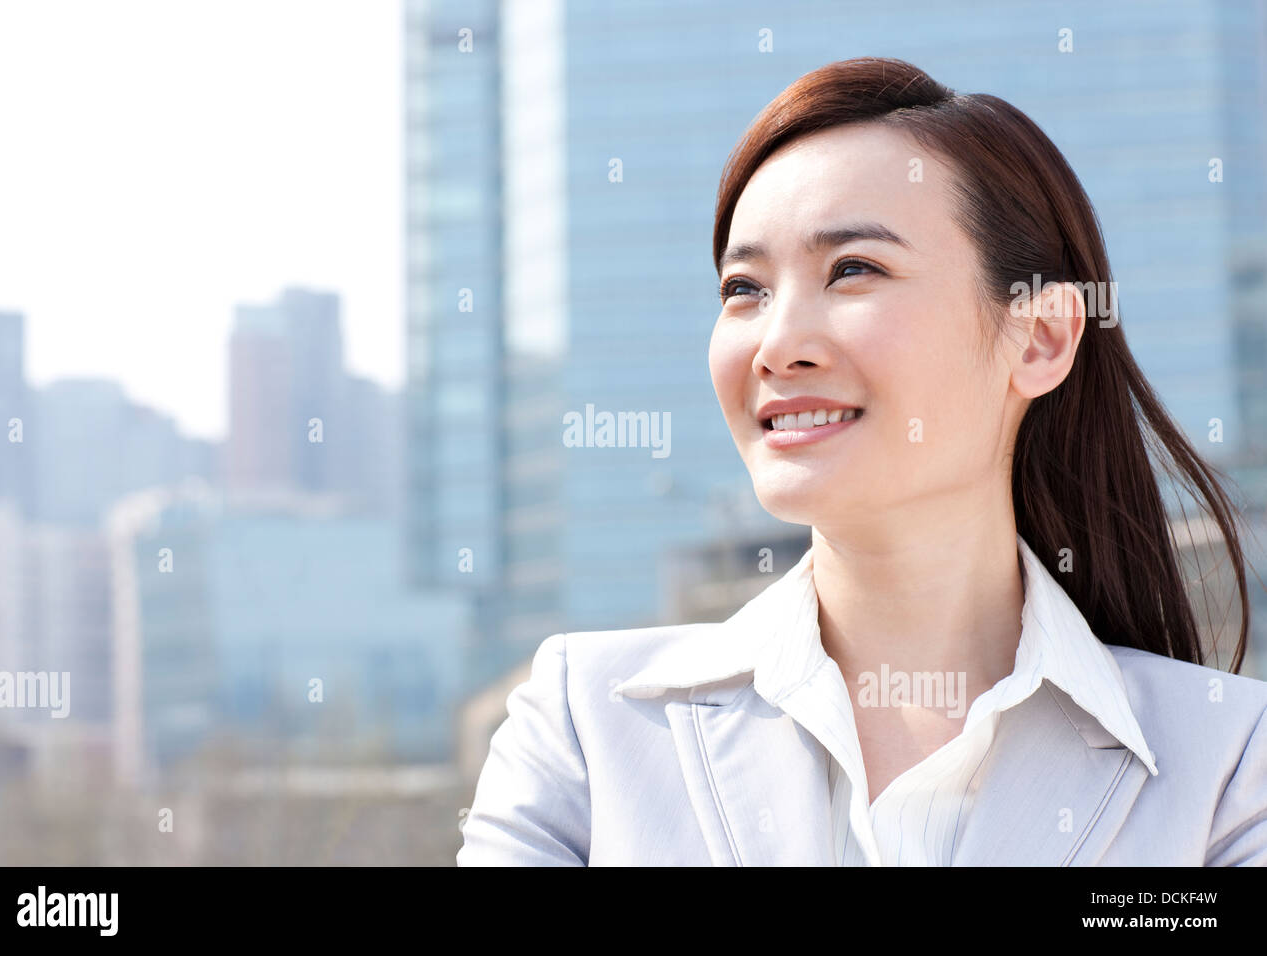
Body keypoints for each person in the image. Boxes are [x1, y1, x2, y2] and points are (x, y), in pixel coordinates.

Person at [456, 57, 1267, 866]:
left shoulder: (1228, 766)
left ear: (1042, 336)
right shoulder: (588, 733)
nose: (777, 346)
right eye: (745, 289)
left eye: (853, 270)